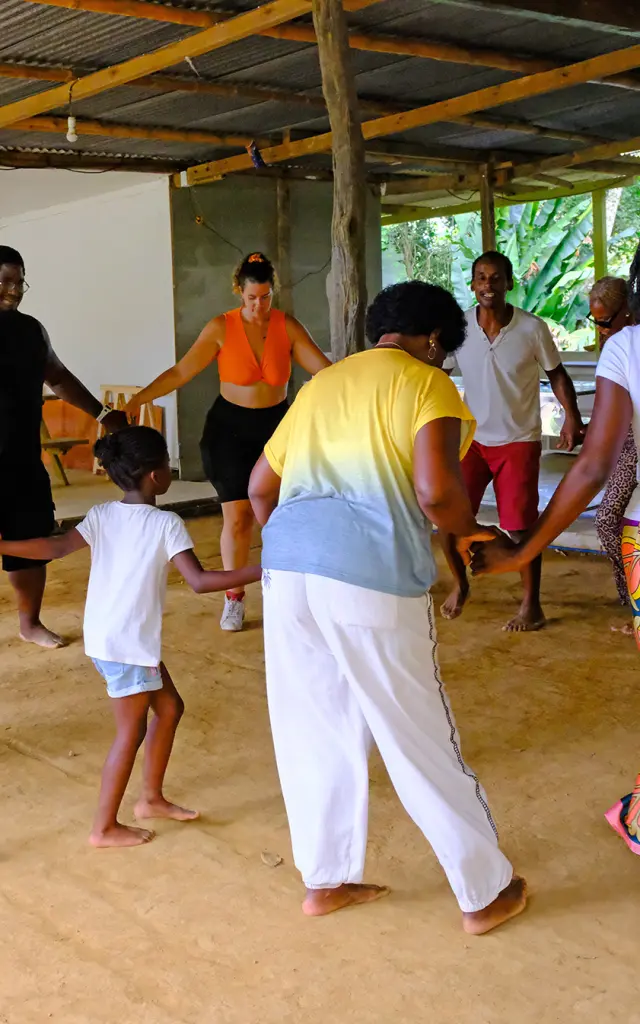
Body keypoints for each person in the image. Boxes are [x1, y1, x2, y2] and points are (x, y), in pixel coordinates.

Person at [248, 281, 526, 934]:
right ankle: (484, 893)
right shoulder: (427, 385)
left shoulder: (322, 386)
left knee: (312, 727)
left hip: (287, 571)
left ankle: (326, 882)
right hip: (367, 576)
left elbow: (262, 486)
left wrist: (298, 541)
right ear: (434, 339)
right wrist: (474, 533)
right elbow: (436, 492)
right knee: (419, 734)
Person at [0, 427, 261, 848]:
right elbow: (198, 581)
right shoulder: (165, 523)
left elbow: (53, 549)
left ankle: (152, 799)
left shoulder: (103, 513)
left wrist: (4, 544)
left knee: (171, 707)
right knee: (130, 732)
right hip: (127, 646)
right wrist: (261, 570)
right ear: (156, 476)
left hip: (112, 637)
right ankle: (104, 827)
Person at [470, 242, 640, 857]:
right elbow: (598, 461)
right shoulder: (624, 348)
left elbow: (592, 459)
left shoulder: (618, 346)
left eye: (606, 313)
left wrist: (519, 554)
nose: (600, 323)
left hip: (522, 443)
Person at [126, 252, 330, 633]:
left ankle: (288, 590)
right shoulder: (221, 327)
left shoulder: (288, 326)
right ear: (239, 291)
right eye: (252, 297)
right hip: (229, 430)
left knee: (281, 514)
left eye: (266, 297)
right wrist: (141, 397)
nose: (258, 305)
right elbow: (182, 370)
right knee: (238, 518)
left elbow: (326, 372)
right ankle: (234, 597)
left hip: (277, 426)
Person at [440, 250, 584, 632]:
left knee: (521, 528)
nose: (488, 284)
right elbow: (436, 374)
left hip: (518, 440)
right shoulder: (459, 330)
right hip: (473, 440)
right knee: (448, 519)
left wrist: (573, 416)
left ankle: (530, 605)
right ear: (472, 284)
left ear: (509, 283)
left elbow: (557, 374)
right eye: (481, 277)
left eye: (496, 277)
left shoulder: (532, 328)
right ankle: (460, 585)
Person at [0, 245, 128, 649]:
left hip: (20, 458)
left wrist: (104, 413)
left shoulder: (31, 331)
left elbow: (57, 376)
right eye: (5, 281)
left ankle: (30, 623)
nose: (14, 290)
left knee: (30, 544)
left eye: (20, 281)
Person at [589, 276, 636, 629]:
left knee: (607, 519)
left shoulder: (625, 345)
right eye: (596, 321)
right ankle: (630, 599)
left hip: (631, 444)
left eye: (606, 321)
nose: (601, 329)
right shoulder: (619, 345)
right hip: (626, 445)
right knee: (608, 521)